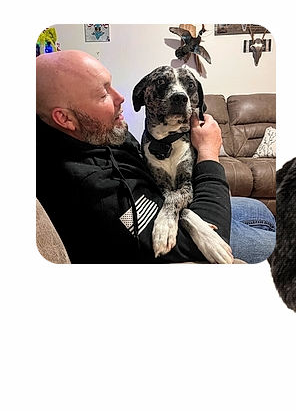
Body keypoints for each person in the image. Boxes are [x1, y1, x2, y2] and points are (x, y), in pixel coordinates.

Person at [36, 50, 276, 264]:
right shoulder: (92, 186)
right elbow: (204, 240)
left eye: (112, 86)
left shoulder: (103, 134)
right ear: (64, 119)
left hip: (178, 205)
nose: (121, 98)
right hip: (190, 239)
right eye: (103, 95)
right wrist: (208, 152)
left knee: (260, 211)